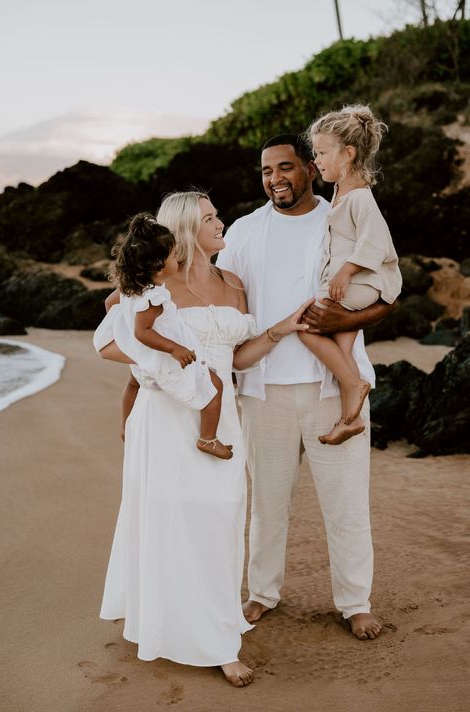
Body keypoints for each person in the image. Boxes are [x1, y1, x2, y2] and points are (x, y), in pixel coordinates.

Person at [94, 190, 313, 686]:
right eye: (209, 217)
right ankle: (190, 632)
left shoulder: (233, 283)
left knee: (219, 517)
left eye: (217, 214)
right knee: (169, 519)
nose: (221, 222)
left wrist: (279, 331)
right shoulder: (155, 282)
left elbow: (234, 358)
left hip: (219, 413)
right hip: (168, 410)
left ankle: (214, 629)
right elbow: (109, 343)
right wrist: (162, 365)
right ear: (185, 231)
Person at [216, 133, 395, 640]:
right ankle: (261, 593)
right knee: (267, 505)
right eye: (267, 171)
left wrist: (345, 314)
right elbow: (223, 305)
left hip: (332, 389)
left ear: (311, 169)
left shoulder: (342, 218)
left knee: (346, 504)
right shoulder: (245, 231)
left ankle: (355, 602)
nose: (276, 179)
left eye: (286, 168)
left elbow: (385, 295)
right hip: (262, 388)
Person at [299, 105, 402, 445]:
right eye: (315, 152)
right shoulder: (340, 193)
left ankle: (355, 383)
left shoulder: (359, 197)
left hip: (359, 283)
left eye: (322, 152)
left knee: (307, 327)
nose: (317, 160)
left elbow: (378, 243)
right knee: (342, 344)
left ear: (348, 153)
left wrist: (345, 272)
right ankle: (350, 418)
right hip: (353, 282)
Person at [110, 211, 232, 460]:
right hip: (165, 357)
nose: (178, 260)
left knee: (134, 383)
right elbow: (142, 331)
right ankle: (208, 438)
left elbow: (110, 308)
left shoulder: (129, 291)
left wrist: (126, 336)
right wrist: (175, 348)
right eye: (174, 255)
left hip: (144, 359)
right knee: (215, 384)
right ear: (158, 265)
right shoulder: (154, 297)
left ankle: (125, 425)